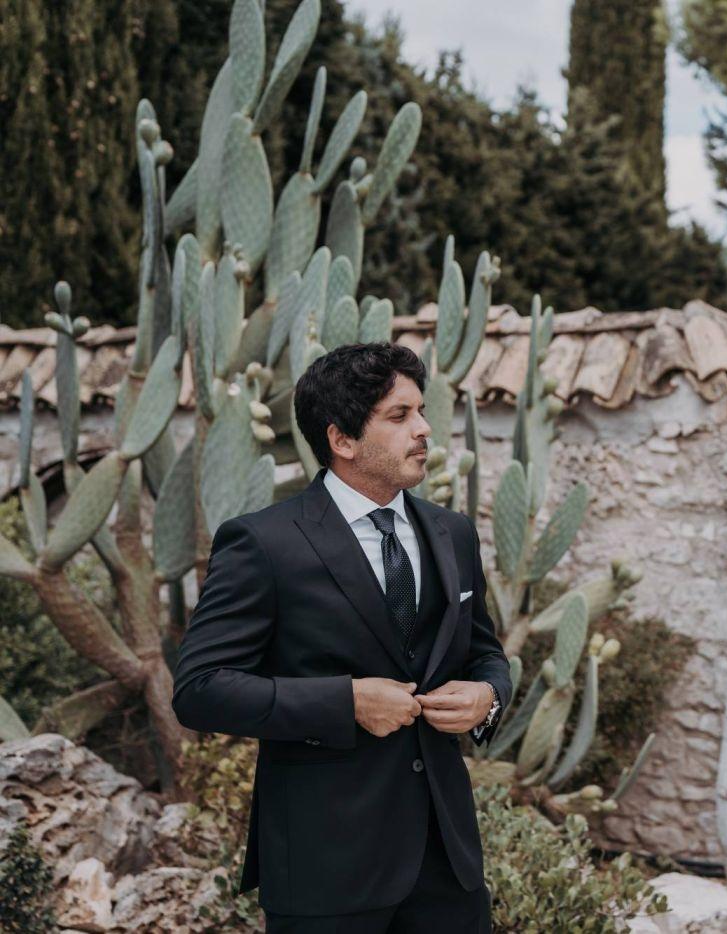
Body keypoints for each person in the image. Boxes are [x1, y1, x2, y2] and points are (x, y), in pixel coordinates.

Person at [172, 341, 513, 932]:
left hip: (447, 866)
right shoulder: (264, 543)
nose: (425, 429)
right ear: (342, 440)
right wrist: (347, 701)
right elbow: (201, 689)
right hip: (325, 867)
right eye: (400, 416)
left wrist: (488, 697)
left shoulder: (453, 532)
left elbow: (484, 652)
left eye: (421, 411)